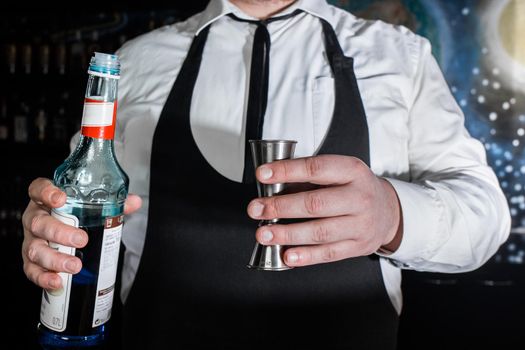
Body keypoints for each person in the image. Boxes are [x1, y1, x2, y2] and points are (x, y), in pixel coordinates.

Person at [21, 0, 511, 348]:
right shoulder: (135, 61)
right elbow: (82, 199)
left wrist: (394, 216)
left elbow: (485, 217)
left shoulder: (399, 55)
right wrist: (55, 234)